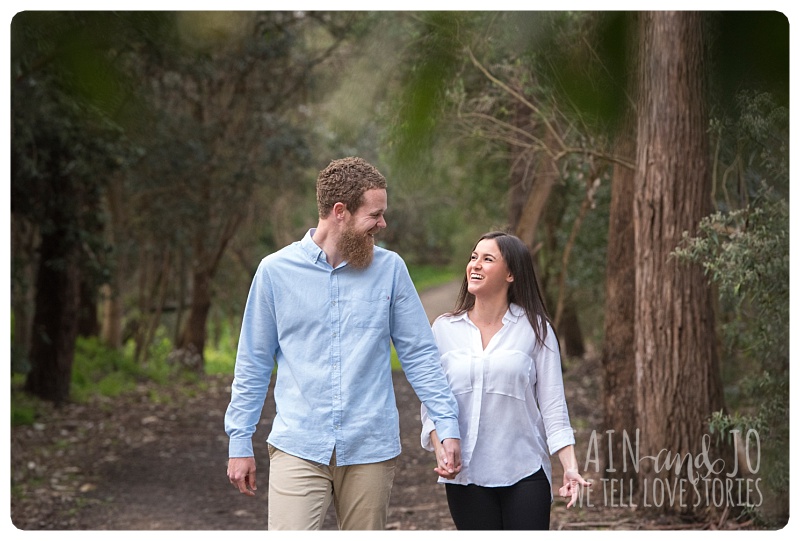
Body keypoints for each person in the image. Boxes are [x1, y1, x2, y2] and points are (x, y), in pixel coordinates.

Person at [224, 156, 462, 530]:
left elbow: (419, 354)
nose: (382, 224)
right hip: (299, 445)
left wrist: (446, 424)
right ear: (340, 212)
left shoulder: (391, 270)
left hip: (370, 447)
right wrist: (240, 441)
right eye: (375, 214)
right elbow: (253, 362)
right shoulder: (274, 272)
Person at [420, 231, 591, 530]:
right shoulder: (445, 329)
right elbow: (432, 400)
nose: (475, 264)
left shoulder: (536, 329)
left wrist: (570, 467)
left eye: (488, 259)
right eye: (473, 257)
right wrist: (441, 448)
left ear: (511, 273)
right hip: (467, 476)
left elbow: (553, 406)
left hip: (525, 472)